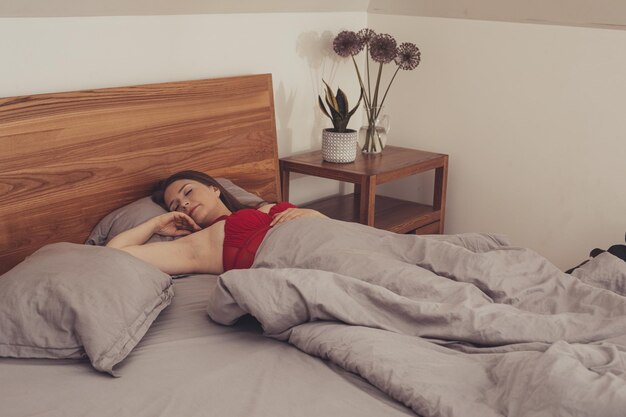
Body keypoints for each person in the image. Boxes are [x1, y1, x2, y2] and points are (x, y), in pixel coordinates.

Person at [106, 170, 326, 275]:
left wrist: (313, 214)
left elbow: (331, 229)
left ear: (215, 189)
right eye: (175, 205)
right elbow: (114, 253)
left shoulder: (270, 207)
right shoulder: (200, 245)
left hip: (330, 246)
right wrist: (156, 223)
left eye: (188, 192)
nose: (184, 203)